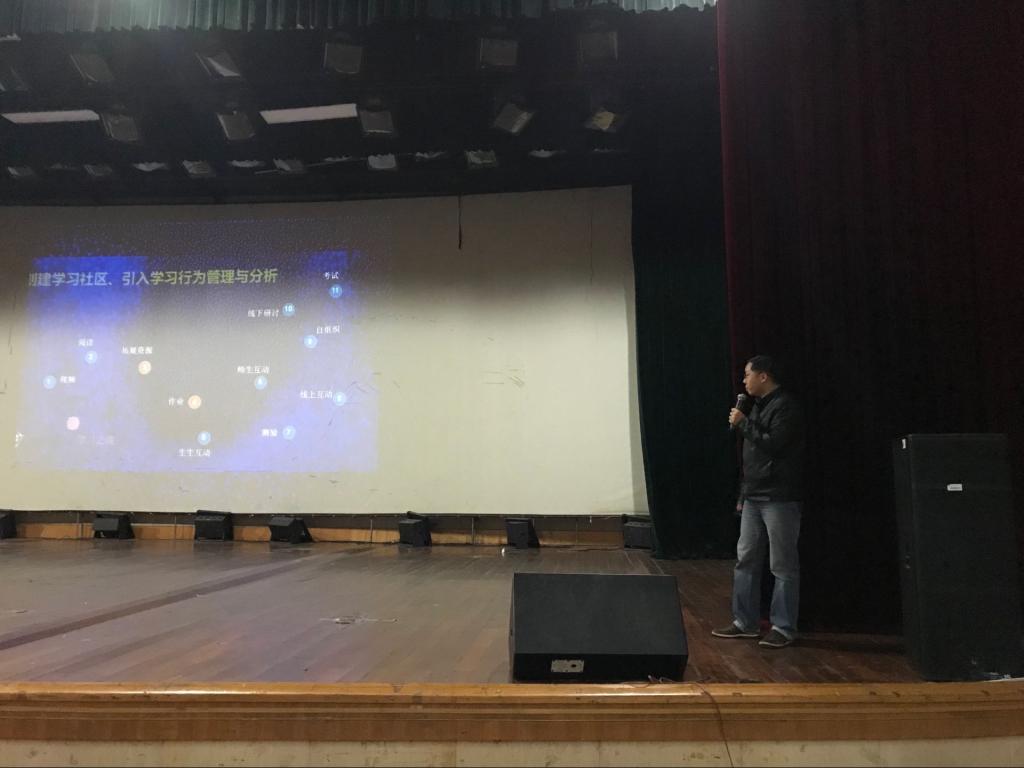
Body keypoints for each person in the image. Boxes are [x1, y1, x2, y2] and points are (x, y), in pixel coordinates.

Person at [712, 355, 804, 649]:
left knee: (782, 564)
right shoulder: (757, 406)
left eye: (747, 375)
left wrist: (743, 424)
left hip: (779, 497)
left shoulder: (786, 406)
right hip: (753, 496)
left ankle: (783, 627)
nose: (744, 381)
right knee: (746, 559)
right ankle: (745, 622)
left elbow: (775, 444)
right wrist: (743, 494)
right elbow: (751, 458)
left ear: (763, 376)